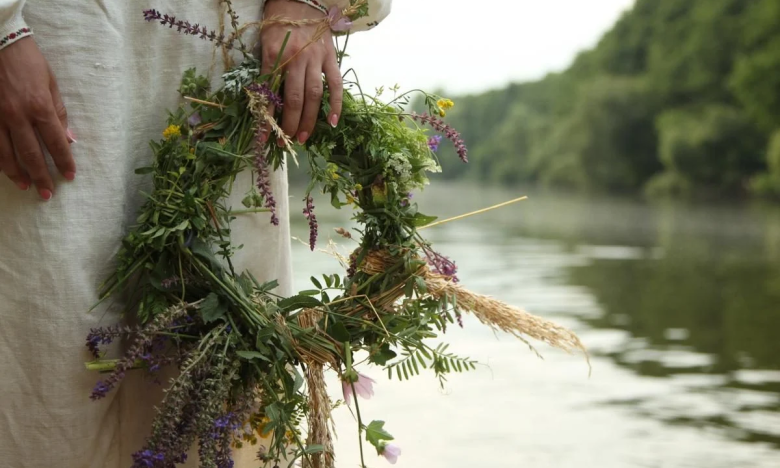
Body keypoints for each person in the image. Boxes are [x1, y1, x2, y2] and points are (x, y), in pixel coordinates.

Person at [0, 0, 391, 466]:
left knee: (223, 364)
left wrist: (308, 4)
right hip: (57, 49)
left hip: (227, 67)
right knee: (52, 363)